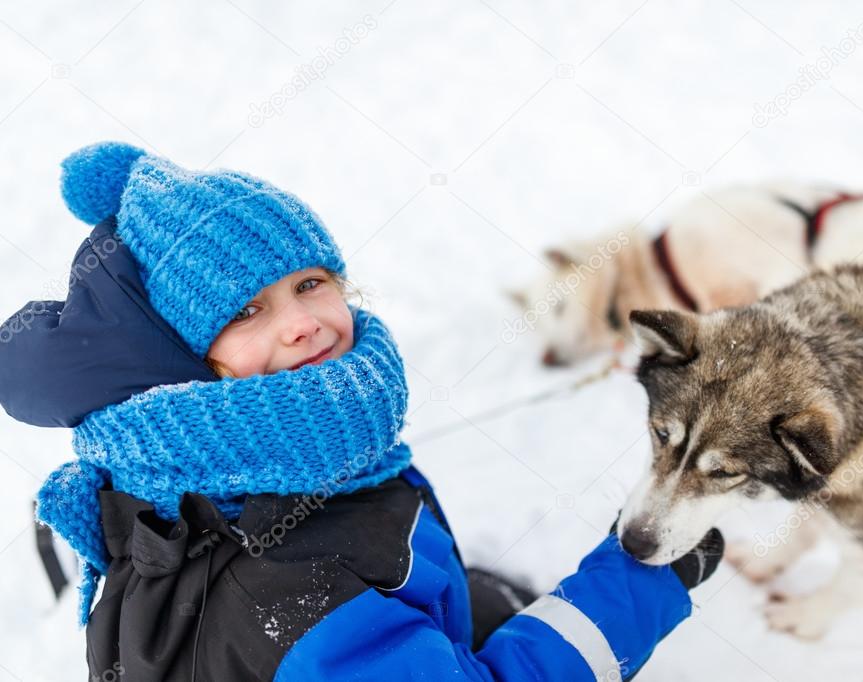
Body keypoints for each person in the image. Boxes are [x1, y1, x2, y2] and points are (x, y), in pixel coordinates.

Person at [0, 142, 723, 681]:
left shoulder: (197, 472)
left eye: (310, 282)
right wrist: (638, 585)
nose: (303, 323)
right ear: (181, 361)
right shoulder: (293, 594)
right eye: (246, 310)